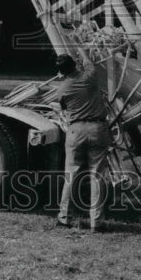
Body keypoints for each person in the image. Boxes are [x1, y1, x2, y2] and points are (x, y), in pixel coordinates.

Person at [52, 51, 112, 233]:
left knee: (71, 176)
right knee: (97, 176)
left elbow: (63, 108)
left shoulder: (62, 88)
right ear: (75, 65)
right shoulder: (89, 76)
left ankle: (64, 218)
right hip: (97, 129)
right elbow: (89, 62)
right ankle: (97, 223)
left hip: (75, 131)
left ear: (61, 72)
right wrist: (81, 50)